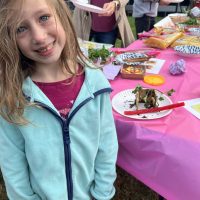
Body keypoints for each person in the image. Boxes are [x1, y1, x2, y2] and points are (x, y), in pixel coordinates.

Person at [0, 0, 118, 200]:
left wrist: (102, 194)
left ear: (62, 15)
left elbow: (106, 146)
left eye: (44, 18)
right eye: (21, 28)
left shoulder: (95, 83)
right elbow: (12, 163)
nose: (39, 36)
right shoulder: (12, 97)